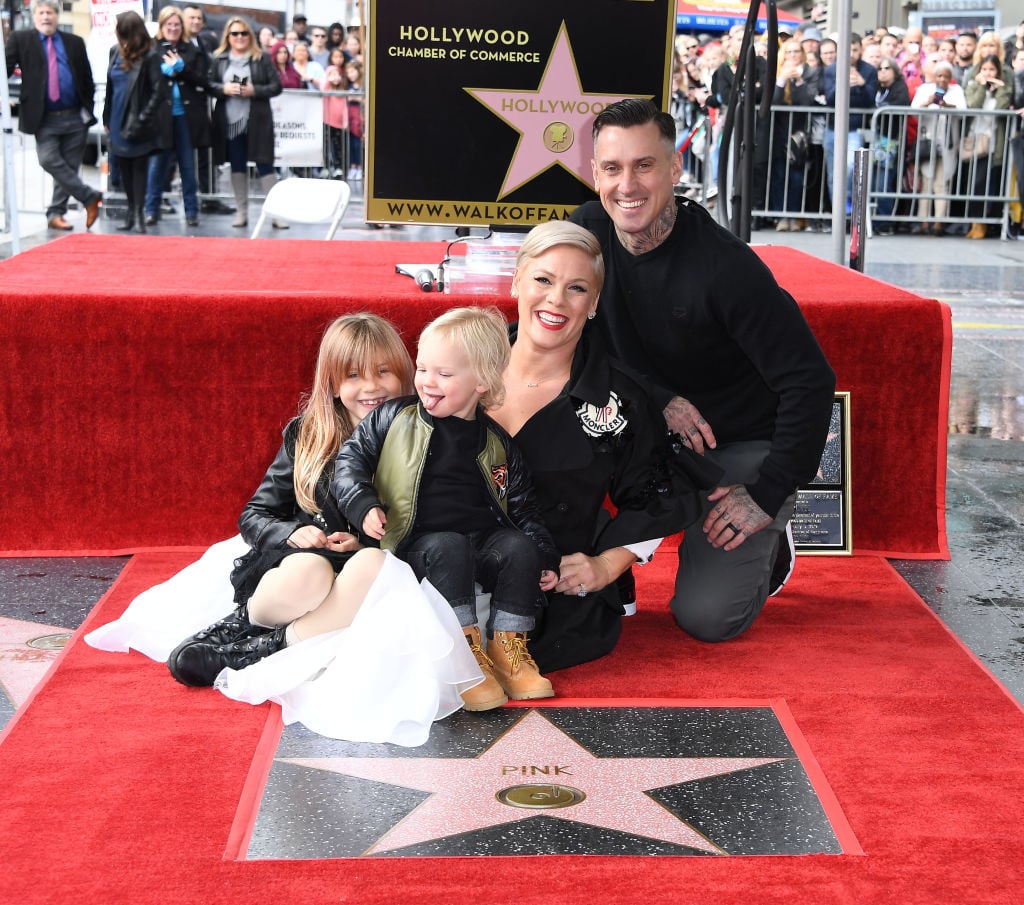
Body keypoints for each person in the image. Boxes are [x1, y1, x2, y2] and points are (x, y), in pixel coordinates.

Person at [88, 314, 482, 747]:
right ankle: (240, 627)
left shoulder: (423, 438)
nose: (370, 387)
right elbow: (255, 515)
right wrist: (293, 534)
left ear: (406, 375)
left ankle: (268, 646)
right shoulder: (308, 434)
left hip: (365, 578)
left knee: (372, 563)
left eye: (383, 372)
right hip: (300, 569)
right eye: (353, 375)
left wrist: (365, 540)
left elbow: (433, 521)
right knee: (309, 570)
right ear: (332, 384)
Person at [570, 98, 836, 644]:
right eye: (613, 168)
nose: (627, 185)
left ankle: (770, 544)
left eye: (645, 165)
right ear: (594, 173)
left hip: (732, 447)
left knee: (708, 619)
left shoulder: (726, 267)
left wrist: (765, 492)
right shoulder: (586, 233)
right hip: (643, 435)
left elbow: (810, 380)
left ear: (675, 168)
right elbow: (562, 340)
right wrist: (657, 396)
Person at [486, 221, 710, 672]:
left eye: (577, 288)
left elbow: (659, 493)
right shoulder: (462, 359)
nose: (556, 299)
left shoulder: (619, 398)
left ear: (593, 305)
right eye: (543, 280)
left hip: (552, 595)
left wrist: (606, 566)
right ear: (516, 280)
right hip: (451, 572)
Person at [334, 308, 561, 710]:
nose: (426, 381)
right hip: (415, 545)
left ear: (482, 382)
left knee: (518, 546)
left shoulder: (497, 443)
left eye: (443, 373)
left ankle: (509, 649)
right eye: (422, 368)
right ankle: (462, 654)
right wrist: (362, 503)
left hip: (479, 545)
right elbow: (350, 461)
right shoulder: (393, 417)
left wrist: (544, 556)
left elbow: (524, 508)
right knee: (449, 546)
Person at [4, 0, 102, 231]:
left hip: (75, 116)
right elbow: (4, 69)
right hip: (44, 117)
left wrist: (87, 107)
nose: (46, 17)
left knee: (69, 166)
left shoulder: (74, 42)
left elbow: (86, 77)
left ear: (57, 16)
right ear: (34, 16)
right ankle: (89, 196)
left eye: (50, 12)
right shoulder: (22, 39)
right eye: (41, 12)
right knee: (48, 160)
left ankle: (56, 213)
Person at [209, 16, 282, 228]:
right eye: (235, 33)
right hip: (230, 121)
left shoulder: (262, 58)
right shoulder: (219, 59)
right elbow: (209, 84)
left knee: (265, 164)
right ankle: (242, 212)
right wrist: (223, 89)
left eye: (243, 33)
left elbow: (276, 86)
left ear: (250, 36)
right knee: (237, 165)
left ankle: (276, 213)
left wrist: (254, 90)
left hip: (257, 120)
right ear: (228, 36)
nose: (239, 37)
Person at [103, 11, 168, 234]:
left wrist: (142, 119)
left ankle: (139, 213)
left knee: (139, 166)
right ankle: (130, 211)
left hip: (138, 118)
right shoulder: (115, 51)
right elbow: (110, 87)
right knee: (122, 166)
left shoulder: (150, 55)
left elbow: (159, 91)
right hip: (117, 116)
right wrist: (106, 116)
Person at [143, 6, 208, 228]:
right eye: (168, 24)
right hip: (161, 116)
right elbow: (145, 81)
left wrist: (182, 69)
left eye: (176, 24)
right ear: (161, 26)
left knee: (187, 166)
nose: (173, 28)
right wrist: (161, 71)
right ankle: (151, 209)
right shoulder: (152, 50)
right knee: (157, 165)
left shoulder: (192, 50)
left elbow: (202, 79)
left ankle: (191, 211)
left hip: (185, 117)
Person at [182, 5, 231, 216]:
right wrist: (214, 87)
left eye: (198, 18)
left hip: (201, 107)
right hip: (184, 107)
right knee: (178, 157)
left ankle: (208, 197)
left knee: (205, 155)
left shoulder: (202, 42)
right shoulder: (179, 44)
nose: (195, 21)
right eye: (191, 18)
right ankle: (171, 198)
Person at [824, 32, 877, 215]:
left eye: (855, 50)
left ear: (861, 50)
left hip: (855, 128)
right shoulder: (832, 70)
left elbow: (870, 102)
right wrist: (842, 83)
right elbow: (830, 99)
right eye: (848, 50)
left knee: (850, 167)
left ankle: (847, 204)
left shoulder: (869, 71)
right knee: (833, 173)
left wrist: (861, 85)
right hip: (833, 128)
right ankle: (837, 214)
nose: (851, 54)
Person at [911, 60, 967, 235]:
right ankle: (923, 222)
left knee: (942, 184)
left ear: (950, 78)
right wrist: (927, 102)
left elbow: (964, 111)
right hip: (928, 143)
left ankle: (938, 222)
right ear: (934, 76)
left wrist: (948, 106)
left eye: (946, 76)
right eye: (939, 75)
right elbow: (913, 110)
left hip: (947, 144)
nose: (942, 79)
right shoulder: (925, 89)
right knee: (926, 182)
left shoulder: (956, 91)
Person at [770, 38, 818, 231]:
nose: (792, 55)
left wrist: (799, 81)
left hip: (799, 133)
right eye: (788, 52)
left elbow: (807, 103)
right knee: (779, 175)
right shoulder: (775, 72)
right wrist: (782, 80)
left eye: (796, 51)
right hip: (778, 131)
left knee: (797, 178)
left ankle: (793, 214)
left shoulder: (810, 73)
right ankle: (780, 216)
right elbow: (773, 102)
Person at [963, 55, 1012, 239]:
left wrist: (1000, 89)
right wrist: (982, 87)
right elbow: (973, 105)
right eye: (984, 69)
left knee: (983, 184)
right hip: (974, 140)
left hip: (992, 143)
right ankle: (973, 223)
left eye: (991, 69)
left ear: (998, 72)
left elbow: (1001, 107)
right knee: (971, 184)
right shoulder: (973, 86)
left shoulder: (1003, 89)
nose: (988, 73)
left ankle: (981, 224)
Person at [871, 55, 912, 235]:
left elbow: (902, 103)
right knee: (872, 181)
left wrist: (881, 108)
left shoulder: (900, 87)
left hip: (891, 142)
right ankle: (872, 220)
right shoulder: (876, 88)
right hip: (874, 140)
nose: (883, 72)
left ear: (895, 71)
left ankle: (884, 222)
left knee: (883, 182)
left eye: (887, 68)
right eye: (880, 68)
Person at [324, 46, 350, 178]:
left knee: (338, 146)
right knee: (326, 146)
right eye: (332, 75)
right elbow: (323, 88)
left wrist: (345, 121)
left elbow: (345, 107)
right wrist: (328, 78)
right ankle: (326, 167)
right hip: (327, 121)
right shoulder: (327, 89)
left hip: (339, 124)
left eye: (337, 74)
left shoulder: (342, 89)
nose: (335, 77)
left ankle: (339, 167)